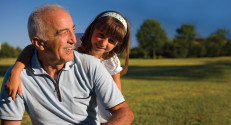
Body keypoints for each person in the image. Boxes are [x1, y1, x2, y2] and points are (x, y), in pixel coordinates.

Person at [0, 4, 134, 125]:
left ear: (118, 44)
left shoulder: (108, 61)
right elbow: (32, 48)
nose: (103, 43)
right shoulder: (78, 41)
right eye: (101, 35)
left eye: (111, 40)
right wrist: (17, 69)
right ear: (92, 30)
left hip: (103, 114)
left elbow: (119, 104)